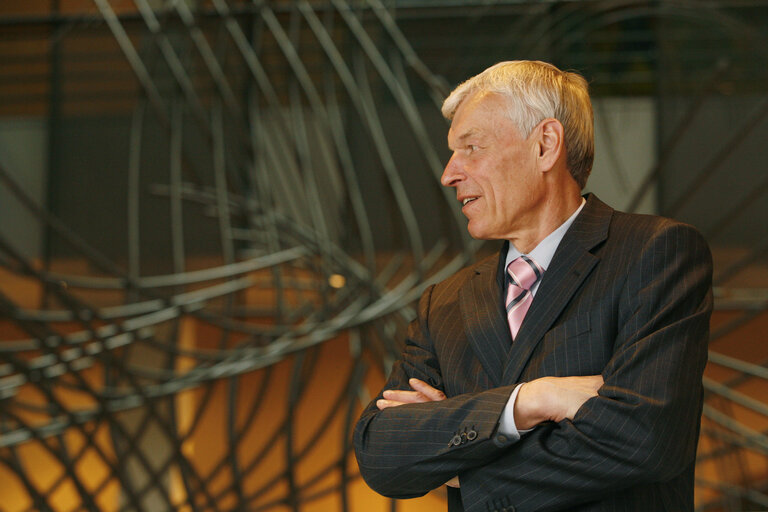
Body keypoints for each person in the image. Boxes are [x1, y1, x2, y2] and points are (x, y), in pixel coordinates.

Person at [353, 60, 713, 512]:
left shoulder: (655, 254)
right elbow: (381, 452)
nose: (448, 174)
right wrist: (535, 400)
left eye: (472, 147)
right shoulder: (442, 302)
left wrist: (459, 458)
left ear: (545, 146)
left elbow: (645, 439)